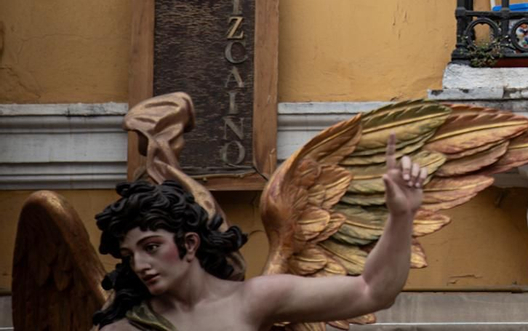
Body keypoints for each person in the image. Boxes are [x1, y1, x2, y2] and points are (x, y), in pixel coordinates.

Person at [92, 136, 428, 330]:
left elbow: (371, 292)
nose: (139, 264)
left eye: (151, 247)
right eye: (129, 255)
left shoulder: (252, 300)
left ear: (189, 244)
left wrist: (401, 215)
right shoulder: (128, 327)